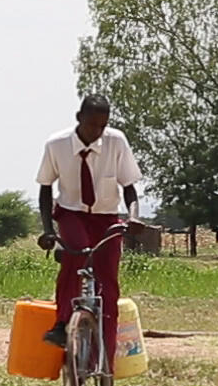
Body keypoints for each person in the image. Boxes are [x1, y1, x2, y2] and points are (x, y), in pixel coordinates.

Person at [35, 94, 143, 365]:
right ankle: (62, 323)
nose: (97, 132)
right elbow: (46, 189)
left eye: (102, 126)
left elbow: (129, 186)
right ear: (78, 118)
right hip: (71, 213)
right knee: (77, 254)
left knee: (108, 291)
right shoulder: (56, 145)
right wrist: (48, 229)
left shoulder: (115, 142)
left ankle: (104, 368)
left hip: (106, 217)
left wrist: (133, 218)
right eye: (92, 124)